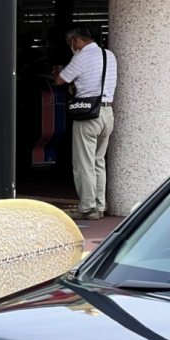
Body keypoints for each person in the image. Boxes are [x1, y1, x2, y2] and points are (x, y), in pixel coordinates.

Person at [55, 27, 117, 221]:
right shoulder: (109, 55)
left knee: (83, 163)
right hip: (107, 112)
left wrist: (59, 71)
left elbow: (60, 80)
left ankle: (88, 207)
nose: (72, 47)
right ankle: (99, 206)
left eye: (71, 44)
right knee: (99, 161)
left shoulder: (81, 57)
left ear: (76, 40)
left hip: (88, 115)